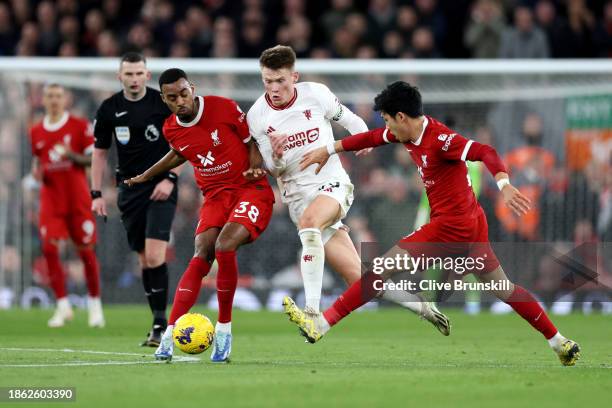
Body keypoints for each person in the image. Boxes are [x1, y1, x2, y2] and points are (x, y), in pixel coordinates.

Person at [288, 81, 581, 367]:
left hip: (451, 228)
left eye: (389, 120)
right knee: (504, 288)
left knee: (380, 269)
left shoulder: (441, 139)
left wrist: (504, 184)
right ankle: (559, 342)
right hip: (471, 225)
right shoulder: (405, 133)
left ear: (401, 117)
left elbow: (485, 152)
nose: (387, 127)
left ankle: (321, 324)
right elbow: (373, 138)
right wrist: (330, 148)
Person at [249, 45, 450, 333]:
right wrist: (277, 156)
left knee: (310, 224)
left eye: (280, 80)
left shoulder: (315, 94)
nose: (274, 88)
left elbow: (350, 119)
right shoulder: (257, 115)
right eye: (268, 81)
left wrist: (362, 139)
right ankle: (422, 307)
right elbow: (274, 168)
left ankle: (311, 310)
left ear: (294, 76)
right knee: (361, 281)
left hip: (332, 185)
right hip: (298, 199)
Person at [125, 68, 275, 363]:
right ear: (164, 99)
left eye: (184, 93)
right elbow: (178, 152)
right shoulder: (171, 128)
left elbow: (252, 142)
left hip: (249, 190)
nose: (181, 100)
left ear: (191, 88)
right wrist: (146, 175)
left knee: (224, 245)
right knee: (202, 253)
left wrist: (256, 166)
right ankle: (169, 334)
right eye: (172, 97)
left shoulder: (223, 107)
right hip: (215, 197)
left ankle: (223, 331)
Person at [91, 52, 182, 346]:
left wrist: (170, 178)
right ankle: (157, 321)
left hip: (160, 186)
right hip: (128, 190)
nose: (133, 79)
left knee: (155, 255)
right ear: (120, 76)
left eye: (138, 73)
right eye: (128, 74)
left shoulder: (162, 103)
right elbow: (100, 152)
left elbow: (183, 142)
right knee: (144, 260)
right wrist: (96, 193)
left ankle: (161, 324)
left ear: (147, 75)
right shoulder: (109, 109)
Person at [30, 83, 104, 328]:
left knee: (85, 252)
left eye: (58, 96)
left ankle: (94, 305)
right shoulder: (36, 131)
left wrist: (70, 154)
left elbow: (92, 157)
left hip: (77, 199)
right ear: (43, 99)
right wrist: (36, 172)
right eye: (49, 95)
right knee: (49, 250)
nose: (53, 100)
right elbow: (38, 162)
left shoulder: (79, 125)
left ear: (66, 99)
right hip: (51, 200)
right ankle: (62, 306)